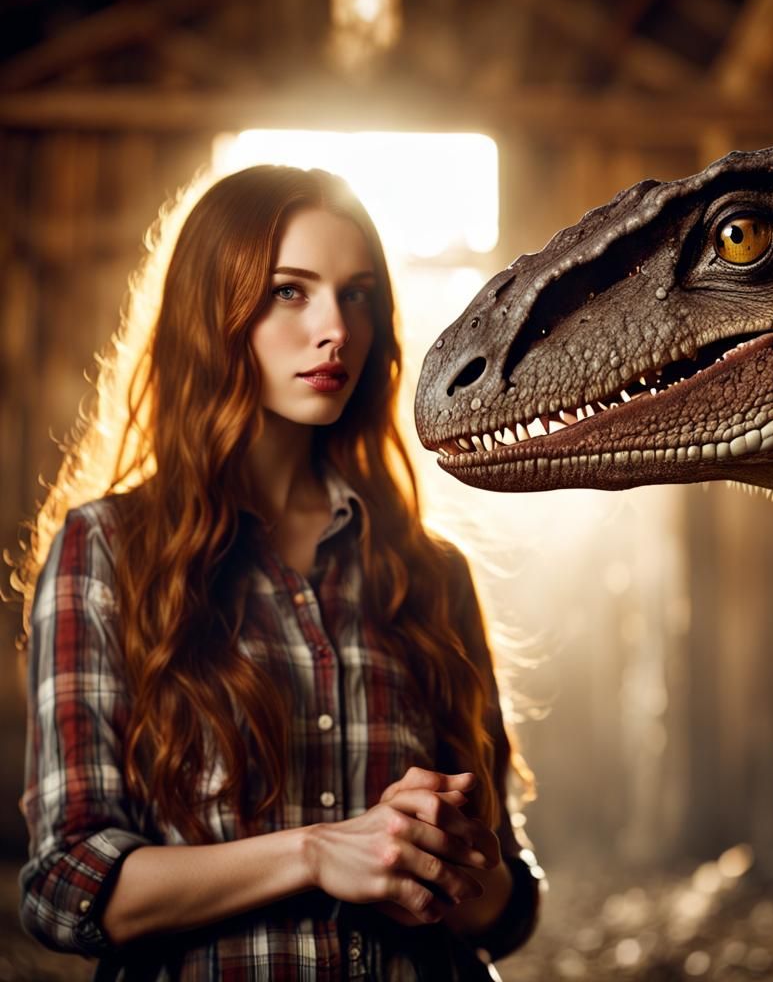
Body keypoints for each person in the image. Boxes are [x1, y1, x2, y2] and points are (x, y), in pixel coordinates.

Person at [13, 165, 542, 980]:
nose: (336, 328)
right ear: (212, 312)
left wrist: (448, 853)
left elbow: (504, 915)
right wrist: (317, 853)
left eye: (357, 294)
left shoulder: (432, 573)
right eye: (289, 292)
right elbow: (66, 884)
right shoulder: (108, 552)